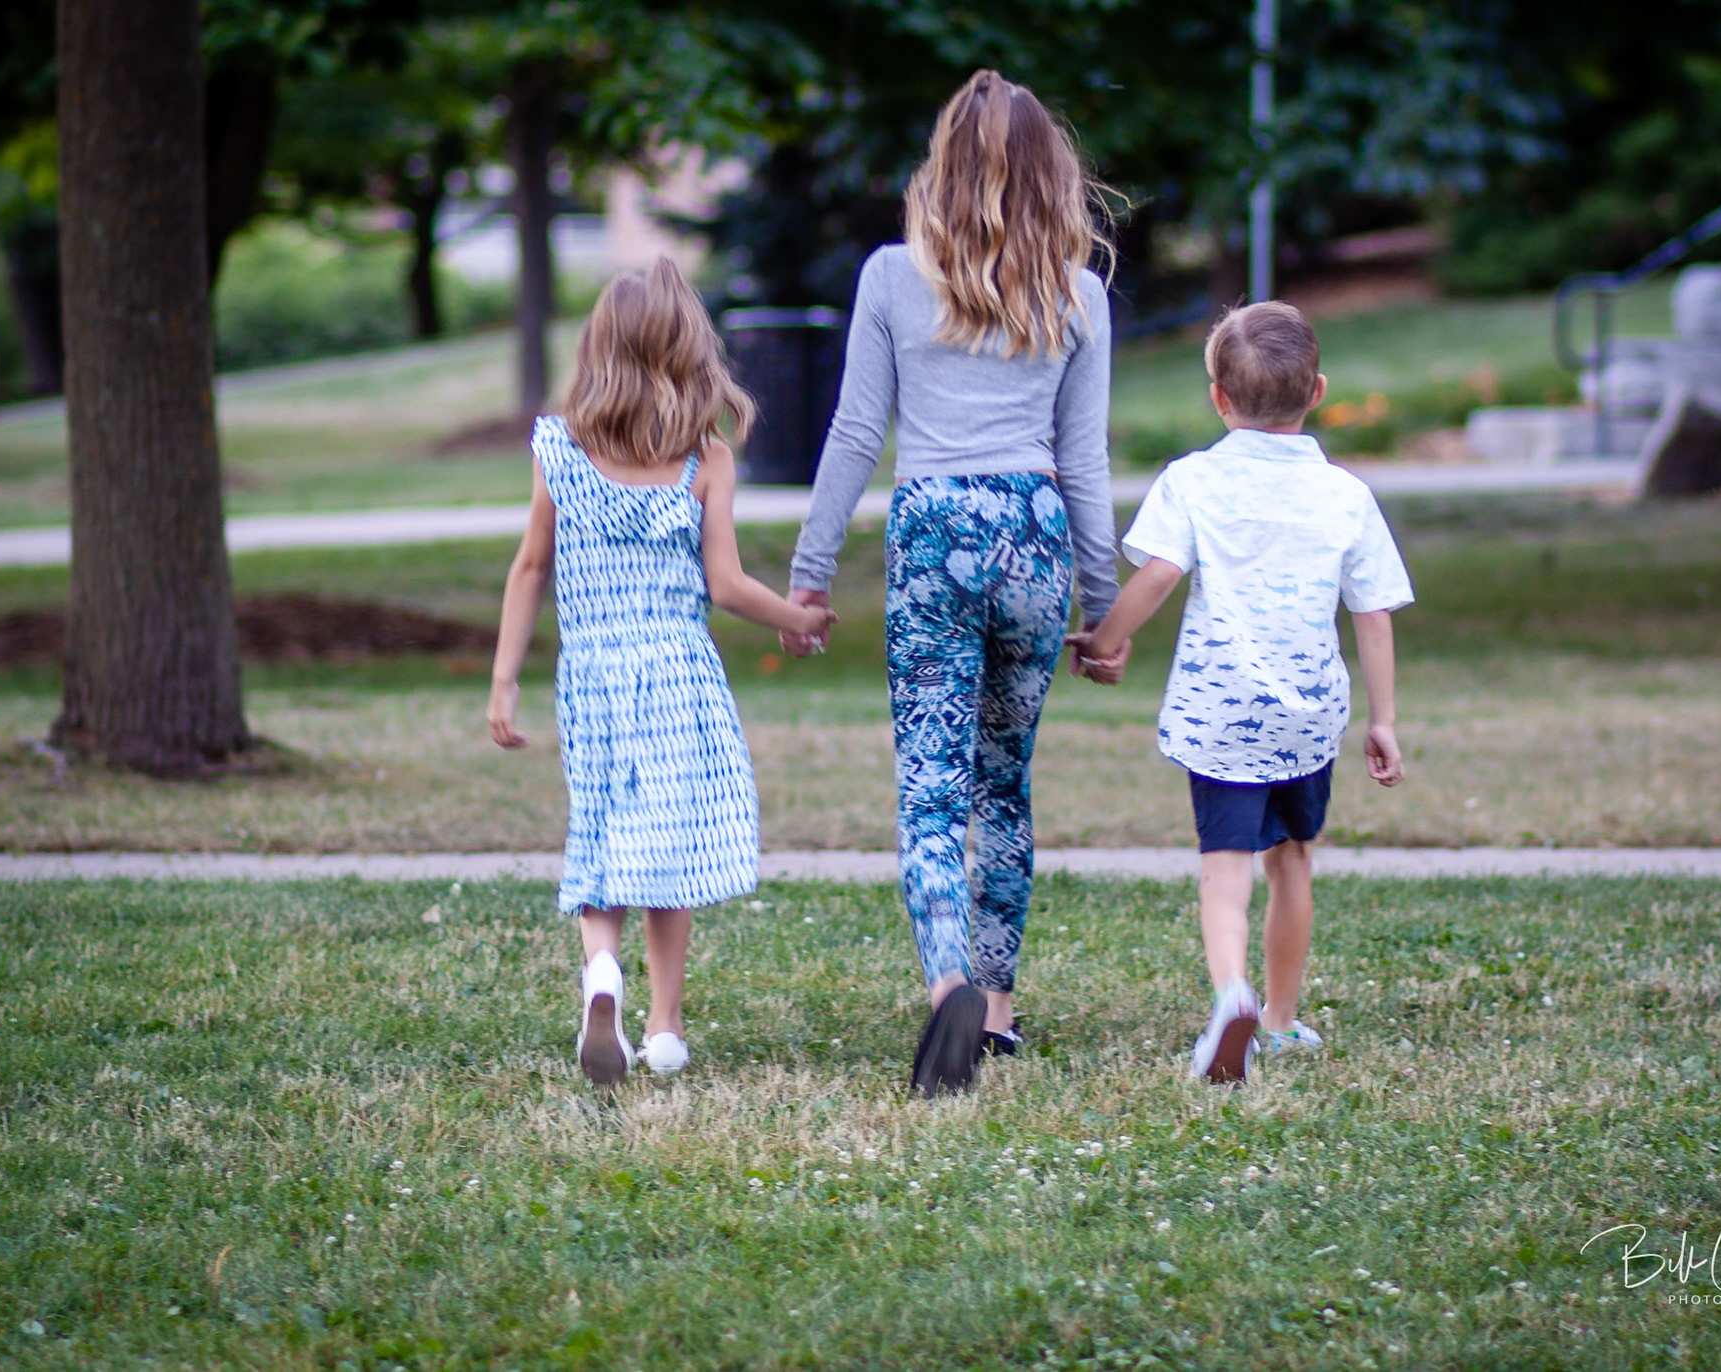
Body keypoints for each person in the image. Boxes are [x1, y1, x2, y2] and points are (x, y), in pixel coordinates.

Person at [779, 70, 1125, 1097]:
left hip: (933, 529)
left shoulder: (892, 275)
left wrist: (808, 572)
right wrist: (1101, 606)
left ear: (943, 167)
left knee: (930, 789)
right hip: (1035, 531)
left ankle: (947, 993)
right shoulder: (1079, 291)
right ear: (1053, 176)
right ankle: (1000, 1012)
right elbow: (1087, 461)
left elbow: (854, 431)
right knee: (1003, 781)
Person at [487, 258, 837, 1087]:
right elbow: (728, 586)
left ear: (599, 350)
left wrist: (504, 679)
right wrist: (799, 619)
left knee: (603, 829)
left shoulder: (559, 447)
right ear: (690, 353)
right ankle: (666, 1027)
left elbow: (530, 566)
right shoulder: (703, 458)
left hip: (593, 675)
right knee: (669, 848)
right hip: (678, 670)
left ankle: (600, 969)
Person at [1068, 301, 1413, 1084]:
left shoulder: (1193, 480)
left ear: (1219, 399)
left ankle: (1233, 999)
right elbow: (1373, 611)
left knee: (1226, 870)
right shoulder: (1347, 495)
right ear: (1318, 391)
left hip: (1220, 714)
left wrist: (1105, 640)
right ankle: (1282, 1024)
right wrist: (1384, 720)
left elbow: (1157, 574)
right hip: (1308, 716)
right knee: (1291, 861)